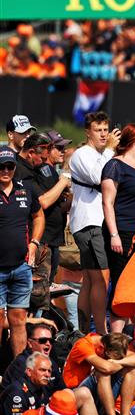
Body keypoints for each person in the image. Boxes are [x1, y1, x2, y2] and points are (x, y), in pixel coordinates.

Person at [101, 123, 135, 333]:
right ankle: (116, 336)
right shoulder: (116, 166)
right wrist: (114, 234)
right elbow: (107, 202)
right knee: (122, 284)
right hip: (122, 232)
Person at [69, 111, 118, 334]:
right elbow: (100, 176)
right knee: (101, 277)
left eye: (105, 130)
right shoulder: (82, 154)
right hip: (90, 221)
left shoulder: (101, 153)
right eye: (98, 130)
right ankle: (101, 331)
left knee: (90, 279)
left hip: (97, 221)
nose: (103, 134)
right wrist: (110, 150)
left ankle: (83, 331)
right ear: (87, 132)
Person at [0, 146, 45, 356]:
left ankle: (19, 372)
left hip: (21, 267)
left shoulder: (25, 189)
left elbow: (38, 216)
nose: (5, 171)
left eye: (10, 166)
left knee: (18, 319)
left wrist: (35, 242)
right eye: (1, 167)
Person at [3, 323, 97, 415]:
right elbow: (16, 397)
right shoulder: (22, 364)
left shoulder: (50, 362)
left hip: (47, 406)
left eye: (51, 341)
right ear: (30, 343)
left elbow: (63, 389)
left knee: (83, 393)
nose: (48, 344)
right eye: (43, 340)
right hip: (28, 410)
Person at [14, 133, 59, 312]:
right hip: (28, 241)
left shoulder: (34, 169)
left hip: (43, 239)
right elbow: (42, 203)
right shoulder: (20, 171)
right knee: (34, 294)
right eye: (41, 158)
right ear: (31, 152)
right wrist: (63, 183)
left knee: (41, 293)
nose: (43, 162)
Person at [63, 332, 135, 415]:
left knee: (132, 369)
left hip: (96, 392)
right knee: (102, 372)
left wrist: (116, 361)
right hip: (76, 393)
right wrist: (120, 364)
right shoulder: (83, 345)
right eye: (108, 357)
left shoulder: (112, 343)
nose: (109, 360)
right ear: (102, 348)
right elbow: (106, 368)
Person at [42, 130, 73, 283]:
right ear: (47, 149)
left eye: (64, 148)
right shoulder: (43, 171)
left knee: (48, 288)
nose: (64, 151)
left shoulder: (53, 171)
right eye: (59, 148)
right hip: (44, 241)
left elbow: (58, 207)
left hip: (54, 239)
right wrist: (62, 183)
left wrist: (72, 198)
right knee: (40, 291)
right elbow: (44, 202)